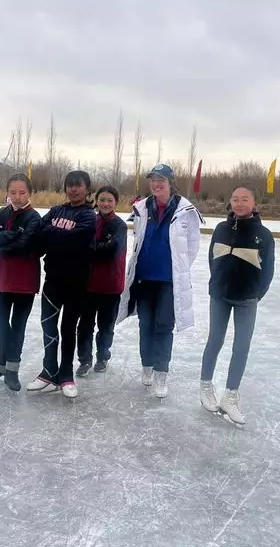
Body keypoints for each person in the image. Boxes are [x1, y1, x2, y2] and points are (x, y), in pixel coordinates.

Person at [117, 163, 203, 398]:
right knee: (145, 324)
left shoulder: (186, 210)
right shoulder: (142, 208)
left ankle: (161, 373)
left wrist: (178, 267)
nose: (156, 184)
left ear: (170, 183)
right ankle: (147, 366)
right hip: (144, 278)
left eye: (161, 179)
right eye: (153, 179)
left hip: (168, 281)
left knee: (163, 326)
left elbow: (192, 246)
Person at [199, 186, 275, 426]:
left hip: (247, 299)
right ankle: (205, 386)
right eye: (235, 199)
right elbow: (213, 260)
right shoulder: (221, 229)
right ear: (230, 203)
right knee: (215, 340)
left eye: (244, 199)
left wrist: (255, 293)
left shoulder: (263, 234)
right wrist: (218, 284)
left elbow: (268, 270)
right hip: (220, 296)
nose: (239, 203)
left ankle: (230, 395)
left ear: (254, 204)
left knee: (241, 346)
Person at [27, 171, 97, 398]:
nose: (73, 190)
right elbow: (40, 232)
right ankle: (48, 372)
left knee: (68, 329)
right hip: (52, 280)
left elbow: (77, 240)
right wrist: (58, 236)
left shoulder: (89, 215)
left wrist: (53, 235)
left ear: (87, 189)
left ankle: (66, 375)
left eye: (78, 186)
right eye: (70, 185)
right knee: (48, 326)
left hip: (77, 283)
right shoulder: (57, 210)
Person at [0, 173, 41, 391]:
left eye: (22, 192)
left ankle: (11, 368)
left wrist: (2, 237)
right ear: (8, 193)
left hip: (24, 281)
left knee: (18, 326)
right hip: (1, 278)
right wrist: (11, 235)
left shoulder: (34, 218)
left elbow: (24, 246)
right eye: (13, 192)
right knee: (0, 321)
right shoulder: (1, 213)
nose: (17, 197)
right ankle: (3, 364)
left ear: (29, 193)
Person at [76, 186, 128, 376]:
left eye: (110, 200)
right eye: (102, 199)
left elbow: (111, 251)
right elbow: (80, 245)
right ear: (96, 201)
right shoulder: (91, 221)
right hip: (88, 285)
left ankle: (103, 356)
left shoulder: (120, 226)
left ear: (115, 203)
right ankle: (84, 360)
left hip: (110, 286)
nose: (105, 204)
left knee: (106, 327)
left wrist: (90, 249)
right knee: (84, 327)